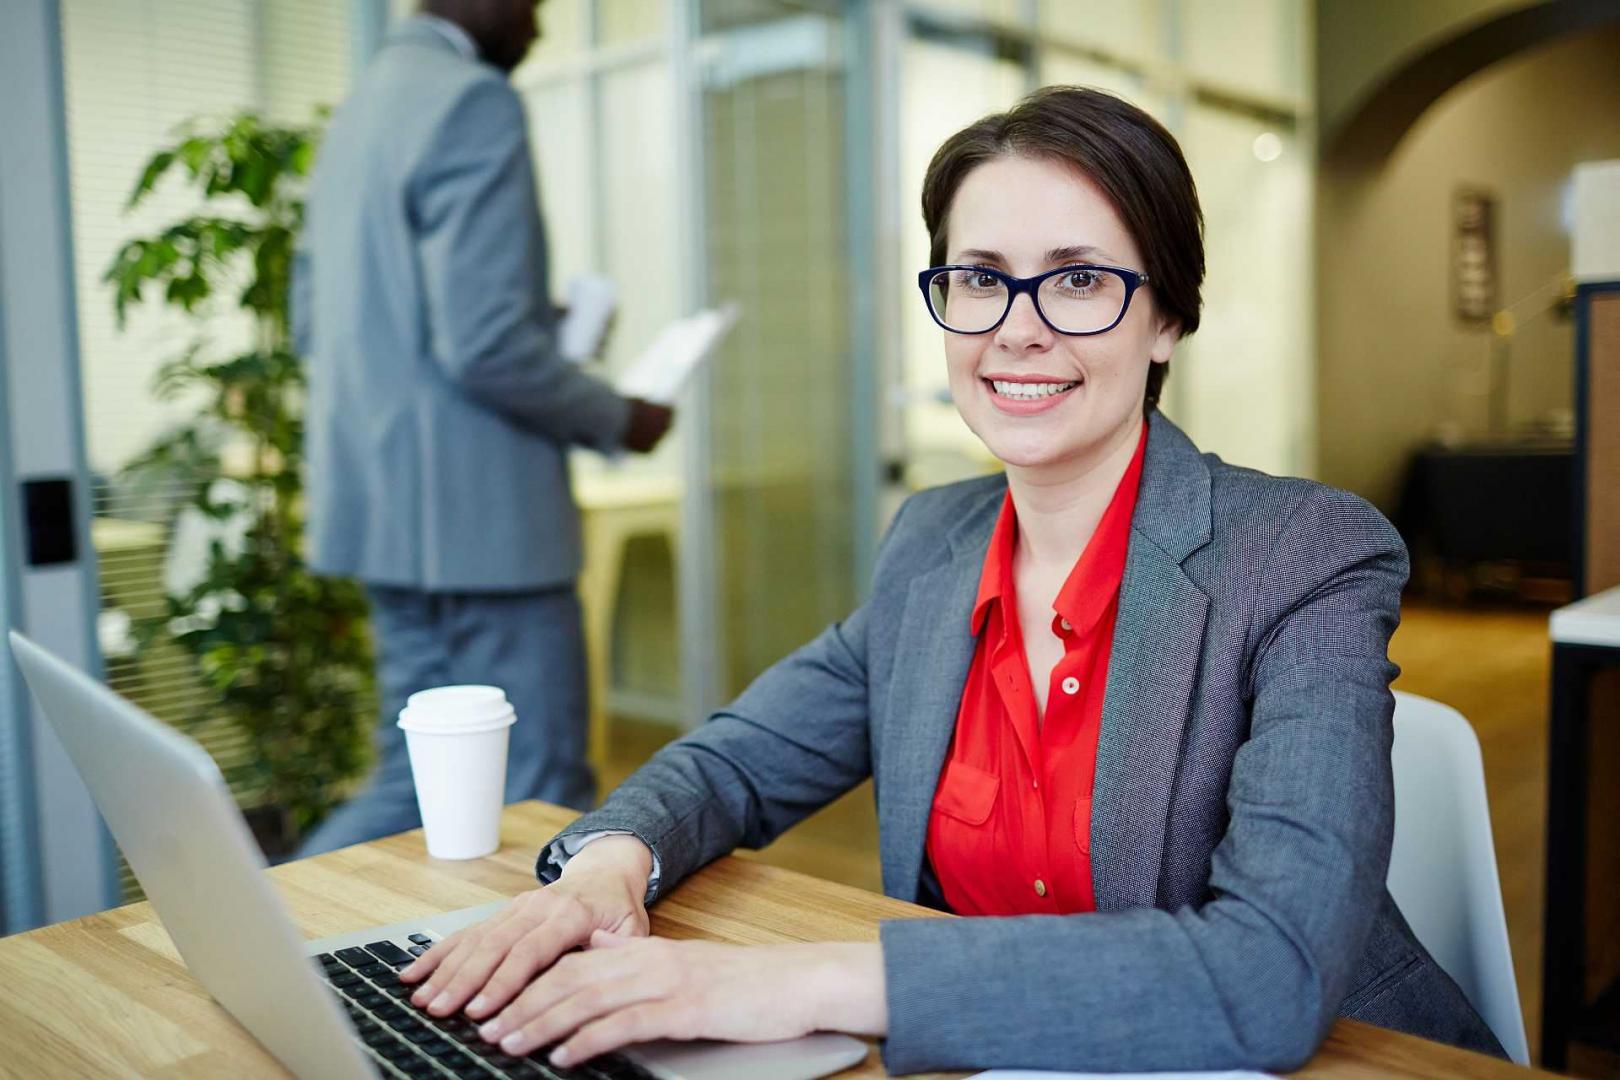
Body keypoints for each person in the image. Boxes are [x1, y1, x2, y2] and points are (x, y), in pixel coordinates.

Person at [395, 87, 1506, 1073]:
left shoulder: (1305, 552)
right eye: (980, 280)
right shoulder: (932, 543)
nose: (1017, 332)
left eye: (1079, 280)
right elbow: (739, 760)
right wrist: (605, 869)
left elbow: (1271, 976)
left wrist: (800, 982)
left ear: (1169, 317)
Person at [292, 0, 673, 857]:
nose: (537, 27)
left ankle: (259, 944)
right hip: (484, 530)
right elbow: (485, 348)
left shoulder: (364, 103)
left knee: (409, 782)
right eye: (534, 5)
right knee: (537, 790)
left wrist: (531, 318)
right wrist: (619, 417)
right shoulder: (473, 100)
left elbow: (320, 323)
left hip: (384, 520)